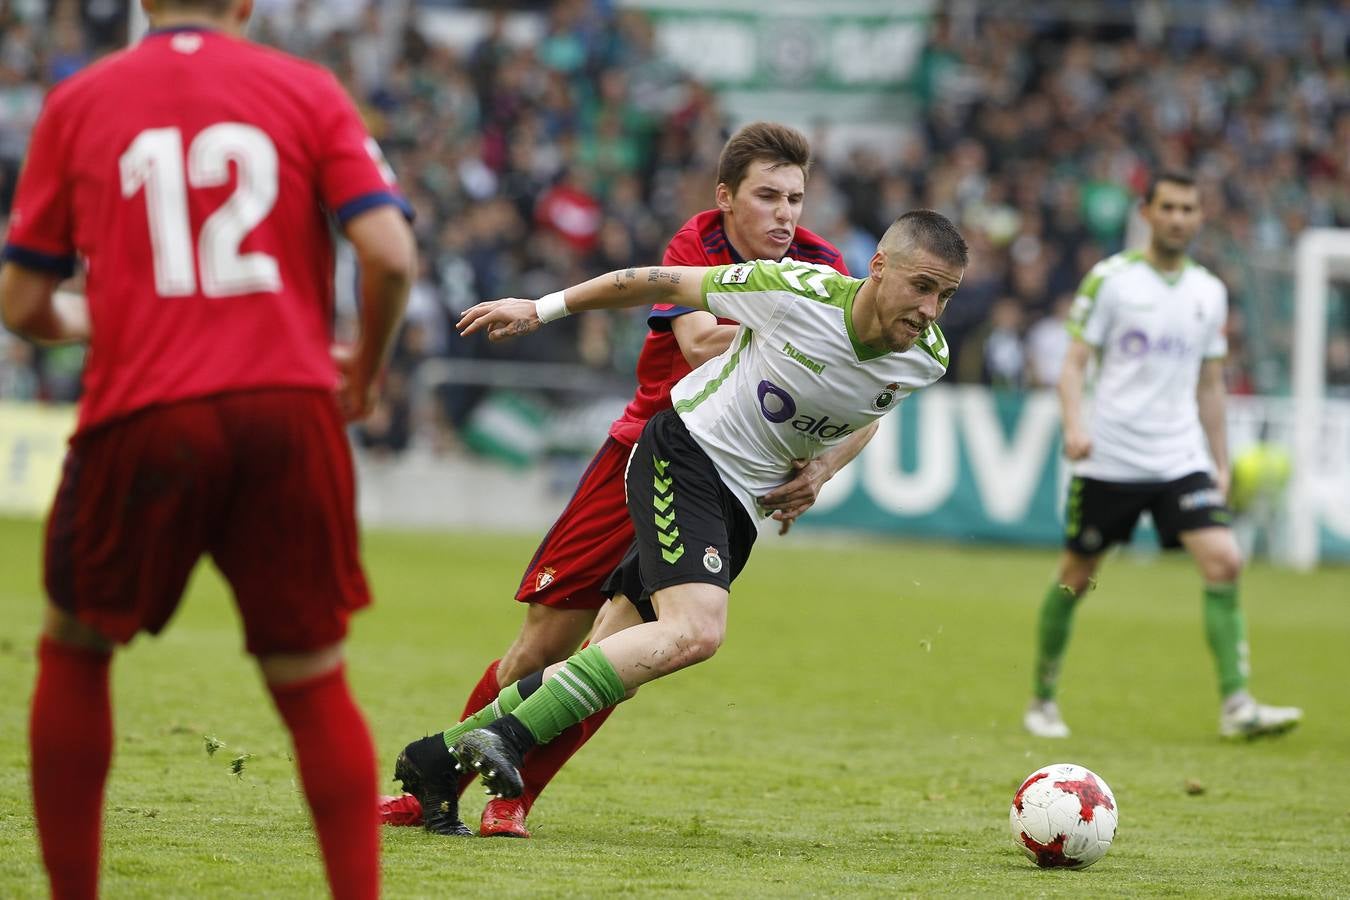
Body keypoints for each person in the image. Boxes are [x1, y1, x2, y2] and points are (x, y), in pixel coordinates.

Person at [0, 2, 415, 897]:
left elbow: (24, 305)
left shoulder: (79, 99)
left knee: (75, 647)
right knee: (309, 675)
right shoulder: (307, 89)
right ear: (246, 5)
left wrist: (101, 316)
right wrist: (366, 374)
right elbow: (389, 255)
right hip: (286, 405)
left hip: (144, 408)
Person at [391, 209, 966, 835]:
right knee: (695, 632)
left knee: (617, 663)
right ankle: (503, 736)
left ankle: (438, 760)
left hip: (740, 505)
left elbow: (869, 410)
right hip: (685, 451)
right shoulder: (796, 292)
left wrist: (824, 469)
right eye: (923, 286)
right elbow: (659, 282)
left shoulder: (925, 356)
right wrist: (543, 307)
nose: (932, 308)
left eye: (946, 295)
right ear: (878, 269)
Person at [1021, 171, 1302, 740]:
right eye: (1168, 207)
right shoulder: (1111, 280)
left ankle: (1237, 706)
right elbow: (1074, 365)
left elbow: (1211, 385)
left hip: (1179, 459)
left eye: (1189, 208)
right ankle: (1043, 698)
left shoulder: (1208, 291)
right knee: (1076, 578)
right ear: (1147, 213)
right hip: (1111, 458)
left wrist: (1219, 462)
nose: (1178, 218)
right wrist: (1076, 425)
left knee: (1225, 561)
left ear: (1200, 217)